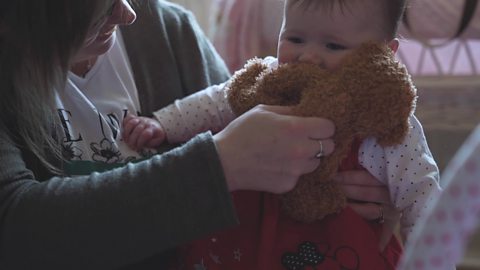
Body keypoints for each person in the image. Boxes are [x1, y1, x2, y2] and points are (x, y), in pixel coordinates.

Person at [0, 0, 390, 269]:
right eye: (98, 5)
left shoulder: (169, 32)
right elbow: (16, 227)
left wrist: (355, 180)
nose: (128, 13)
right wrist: (220, 165)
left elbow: (265, 178)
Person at [122, 0, 441, 269]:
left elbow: (421, 191)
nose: (308, 56)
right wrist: (162, 123)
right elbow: (216, 102)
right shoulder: (267, 82)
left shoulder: (384, 120)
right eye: (295, 39)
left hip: (340, 248)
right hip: (244, 243)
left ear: (384, 53)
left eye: (333, 45)